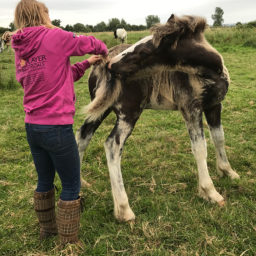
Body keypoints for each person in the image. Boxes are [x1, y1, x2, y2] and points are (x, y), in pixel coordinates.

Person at [12, 0, 108, 245]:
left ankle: (48, 230)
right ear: (40, 14)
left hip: (32, 127)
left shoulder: (20, 47)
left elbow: (54, 74)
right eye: (46, 11)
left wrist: (86, 63)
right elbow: (91, 43)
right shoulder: (54, 36)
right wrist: (104, 51)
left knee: (44, 180)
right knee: (71, 184)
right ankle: (69, 243)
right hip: (57, 127)